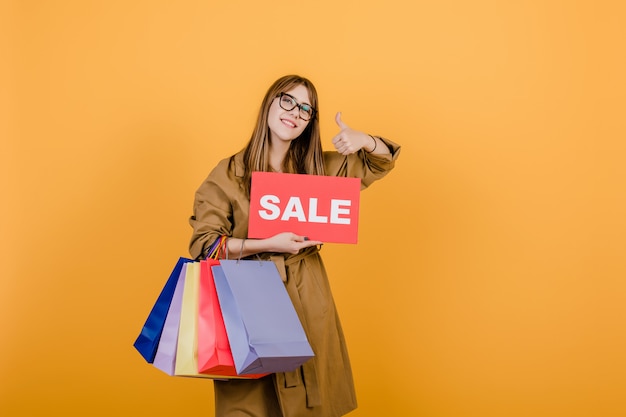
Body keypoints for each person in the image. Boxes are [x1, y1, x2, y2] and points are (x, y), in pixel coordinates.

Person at [189, 74, 401, 417]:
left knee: (309, 399)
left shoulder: (318, 170)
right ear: (269, 104)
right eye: (288, 101)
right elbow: (205, 245)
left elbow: (382, 161)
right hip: (248, 302)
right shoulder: (228, 174)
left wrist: (365, 140)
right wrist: (268, 243)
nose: (296, 113)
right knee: (251, 401)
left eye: (306, 109)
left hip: (308, 297)